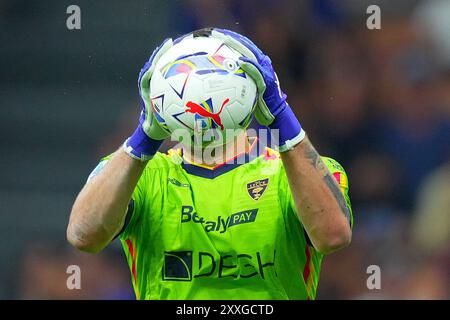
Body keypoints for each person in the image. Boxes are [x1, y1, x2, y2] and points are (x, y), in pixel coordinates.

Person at [67, 28, 353, 300]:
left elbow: (334, 236)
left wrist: (281, 115)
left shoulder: (296, 172)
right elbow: (83, 235)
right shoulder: (144, 177)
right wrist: (144, 136)